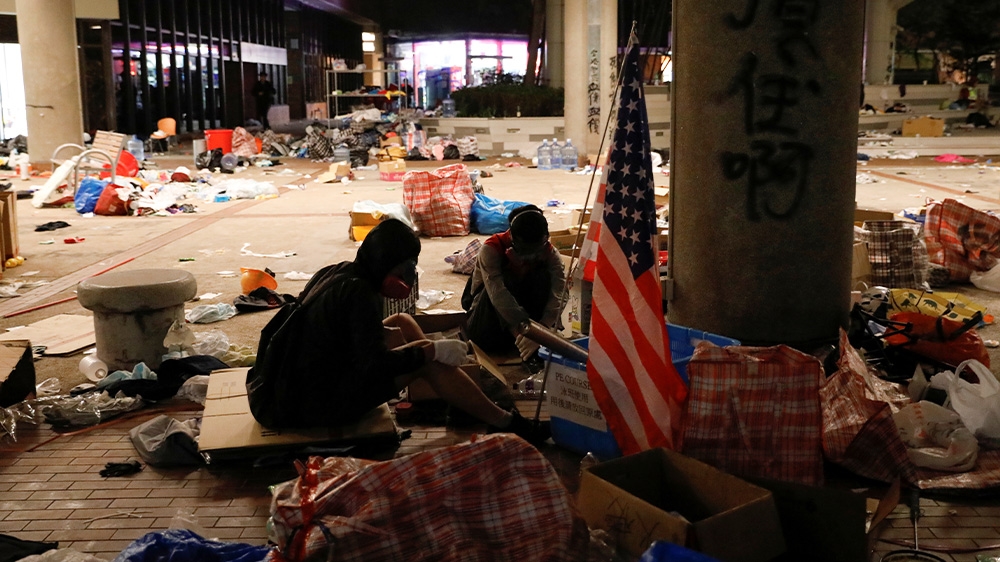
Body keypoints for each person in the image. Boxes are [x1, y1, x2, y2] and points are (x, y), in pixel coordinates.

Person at [248, 219, 548, 443]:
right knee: (429, 363)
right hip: (306, 405)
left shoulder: (340, 271)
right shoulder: (360, 294)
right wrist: (431, 350)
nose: (409, 274)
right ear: (385, 262)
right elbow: (371, 366)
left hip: (291, 387)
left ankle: (453, 391)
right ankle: (504, 421)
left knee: (402, 322)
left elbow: (350, 341)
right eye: (406, 266)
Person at [462, 205, 566, 372]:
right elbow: (498, 296)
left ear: (546, 238)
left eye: (535, 251)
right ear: (511, 237)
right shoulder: (491, 249)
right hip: (488, 326)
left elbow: (559, 293)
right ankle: (527, 346)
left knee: (542, 277)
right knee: (506, 281)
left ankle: (530, 344)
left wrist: (544, 329)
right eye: (525, 251)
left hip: (529, 329)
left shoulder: (551, 255)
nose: (531, 256)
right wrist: (527, 332)